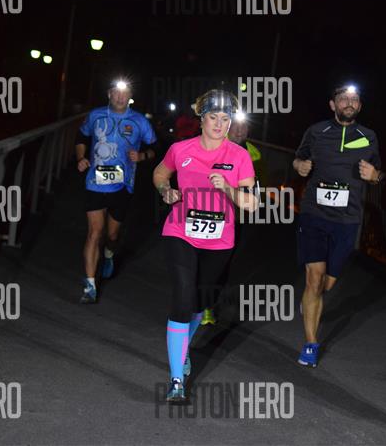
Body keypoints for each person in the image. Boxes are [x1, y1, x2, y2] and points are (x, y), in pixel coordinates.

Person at [153, 89, 259, 402]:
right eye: (213, 117)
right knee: (183, 296)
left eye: (225, 119)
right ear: (201, 118)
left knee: (200, 304)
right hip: (180, 231)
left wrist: (228, 189)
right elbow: (160, 173)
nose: (219, 124)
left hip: (219, 240)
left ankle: (183, 347)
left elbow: (252, 204)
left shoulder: (239, 156)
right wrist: (165, 190)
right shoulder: (180, 149)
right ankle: (176, 380)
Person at [292, 84, 383, 367]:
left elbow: (379, 173)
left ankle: (311, 300)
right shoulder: (316, 131)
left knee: (327, 284)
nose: (349, 102)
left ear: (360, 106)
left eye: (354, 99)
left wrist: (375, 176)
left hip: (347, 219)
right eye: (343, 98)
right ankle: (310, 343)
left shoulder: (368, 136)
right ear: (333, 104)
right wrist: (300, 166)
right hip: (314, 214)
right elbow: (298, 158)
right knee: (314, 278)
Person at [75, 80, 157, 303]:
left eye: (125, 93)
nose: (120, 97)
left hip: (123, 186)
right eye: (116, 93)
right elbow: (81, 137)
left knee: (111, 236)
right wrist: (81, 157)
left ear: (130, 96)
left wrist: (142, 156)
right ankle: (90, 285)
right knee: (95, 232)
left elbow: (155, 148)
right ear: (109, 94)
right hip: (95, 183)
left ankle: (109, 253)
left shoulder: (139, 121)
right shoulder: (96, 115)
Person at [200, 113, 267, 326]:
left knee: (222, 264)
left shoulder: (254, 154)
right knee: (200, 259)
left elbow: (255, 190)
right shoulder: (213, 144)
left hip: (233, 218)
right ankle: (195, 300)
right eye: (235, 125)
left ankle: (208, 306)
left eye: (243, 127)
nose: (239, 130)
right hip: (205, 212)